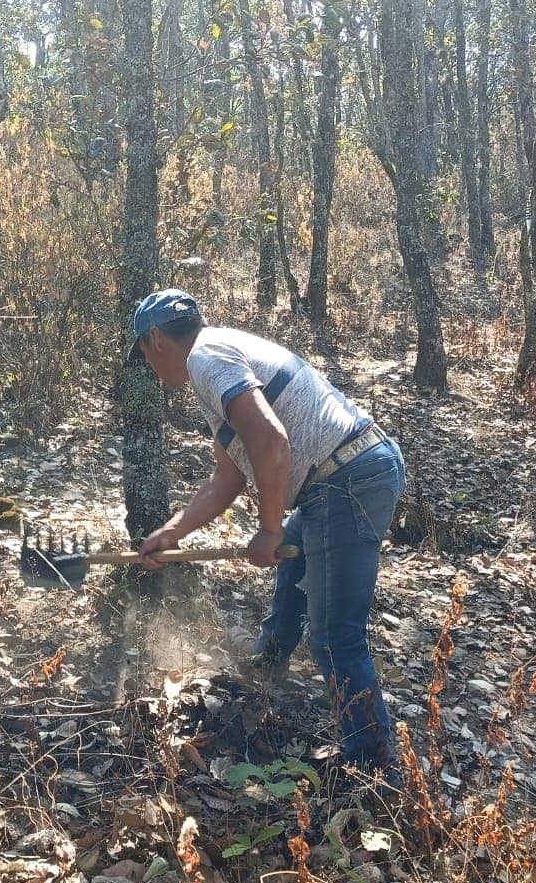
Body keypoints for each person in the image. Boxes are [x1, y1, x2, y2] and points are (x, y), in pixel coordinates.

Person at [128, 288, 406, 770]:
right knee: (291, 593)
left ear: (156, 338)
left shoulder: (207, 358)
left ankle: (374, 769)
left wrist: (269, 529)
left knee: (336, 635)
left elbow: (272, 442)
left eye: (145, 355)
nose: (151, 368)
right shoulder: (217, 358)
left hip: (347, 480)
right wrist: (172, 533)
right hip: (341, 477)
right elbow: (228, 476)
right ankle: (265, 671)